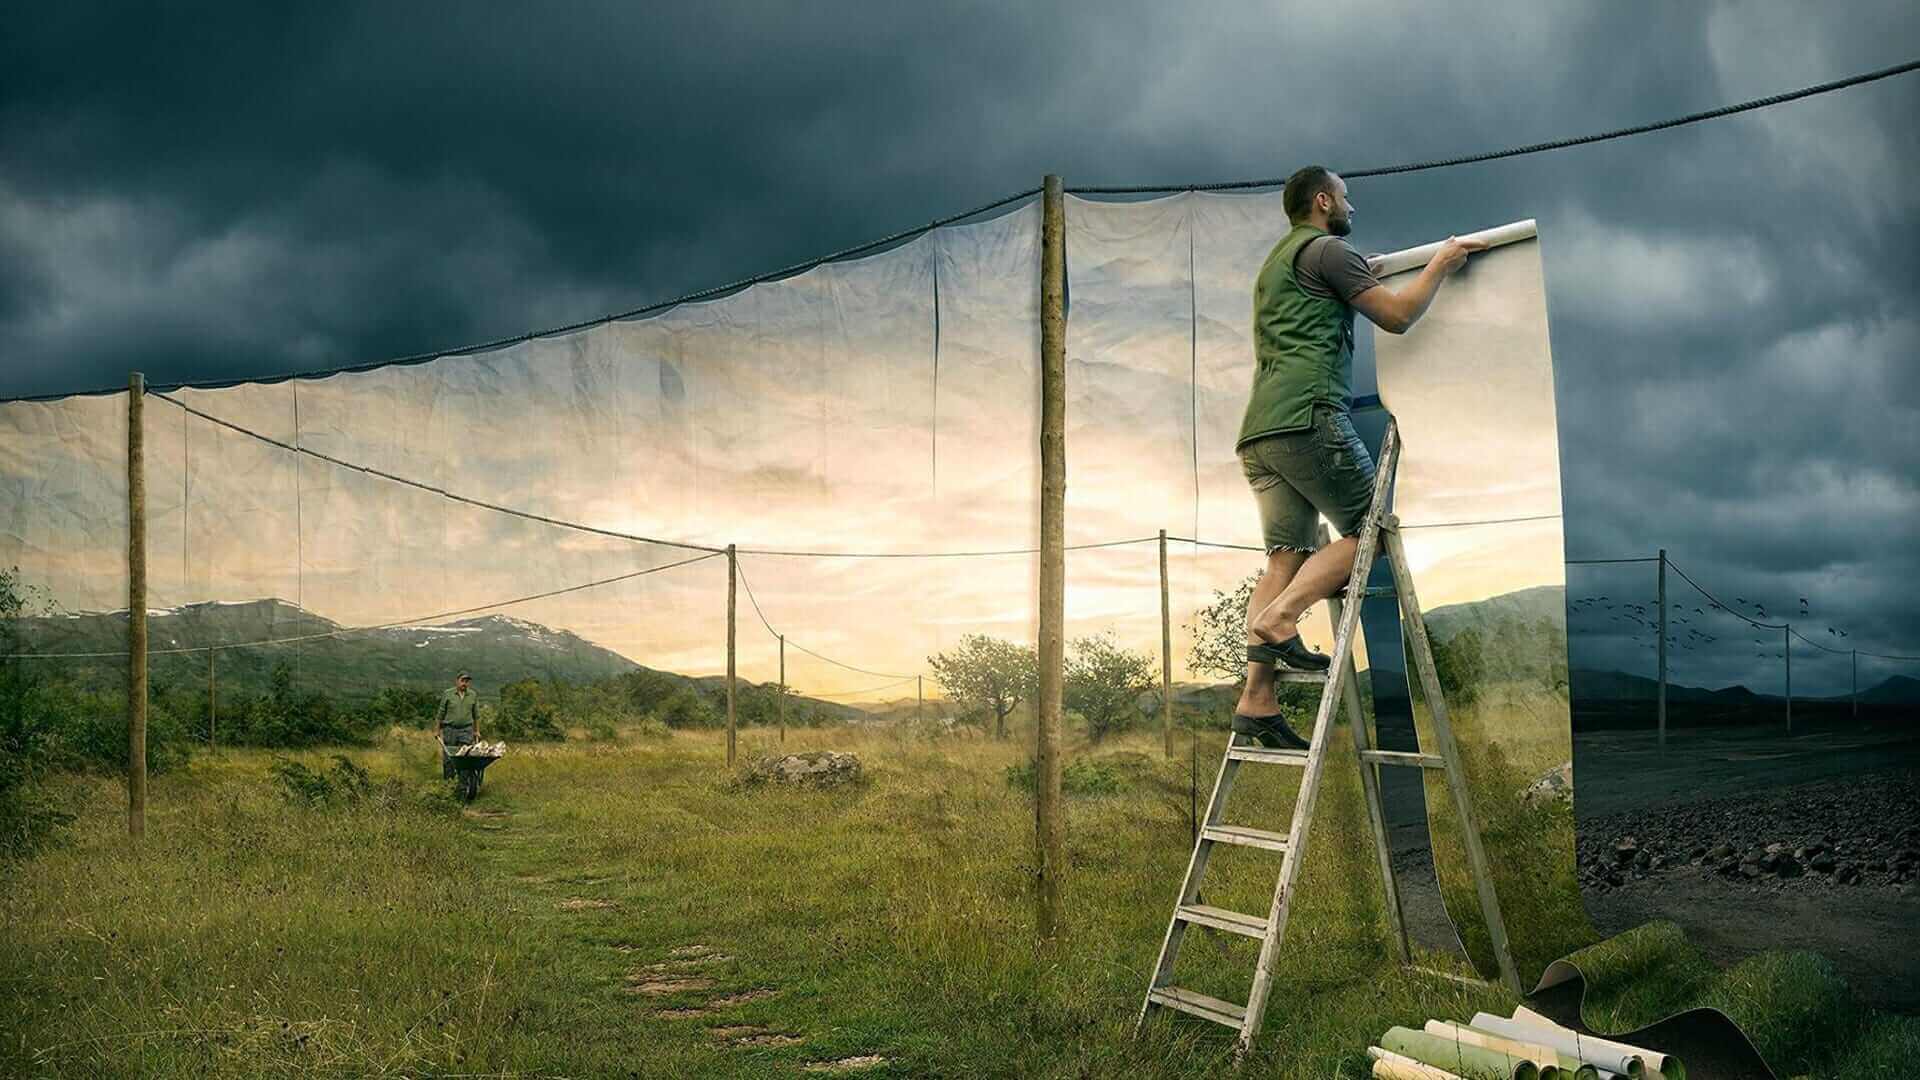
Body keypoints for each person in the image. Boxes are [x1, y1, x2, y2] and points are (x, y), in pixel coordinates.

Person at [1231, 165, 1485, 750]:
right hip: (1309, 418)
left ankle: (1257, 699)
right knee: (1369, 532)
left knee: (1285, 555)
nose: (1353, 207)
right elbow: (1396, 317)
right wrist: (1440, 265)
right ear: (1324, 201)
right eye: (1345, 198)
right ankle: (1280, 619)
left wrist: (1354, 277)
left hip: (1261, 430)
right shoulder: (1329, 250)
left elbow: (1317, 305)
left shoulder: (1278, 264)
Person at [433, 671, 481, 778]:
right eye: (462, 680)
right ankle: (448, 783)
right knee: (449, 757)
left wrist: (476, 731)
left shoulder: (472, 695)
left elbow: (476, 715)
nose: (465, 683)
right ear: (457, 681)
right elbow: (440, 713)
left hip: (466, 730)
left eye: (467, 681)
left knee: (465, 757)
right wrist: (437, 730)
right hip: (450, 729)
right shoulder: (448, 694)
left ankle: (463, 784)